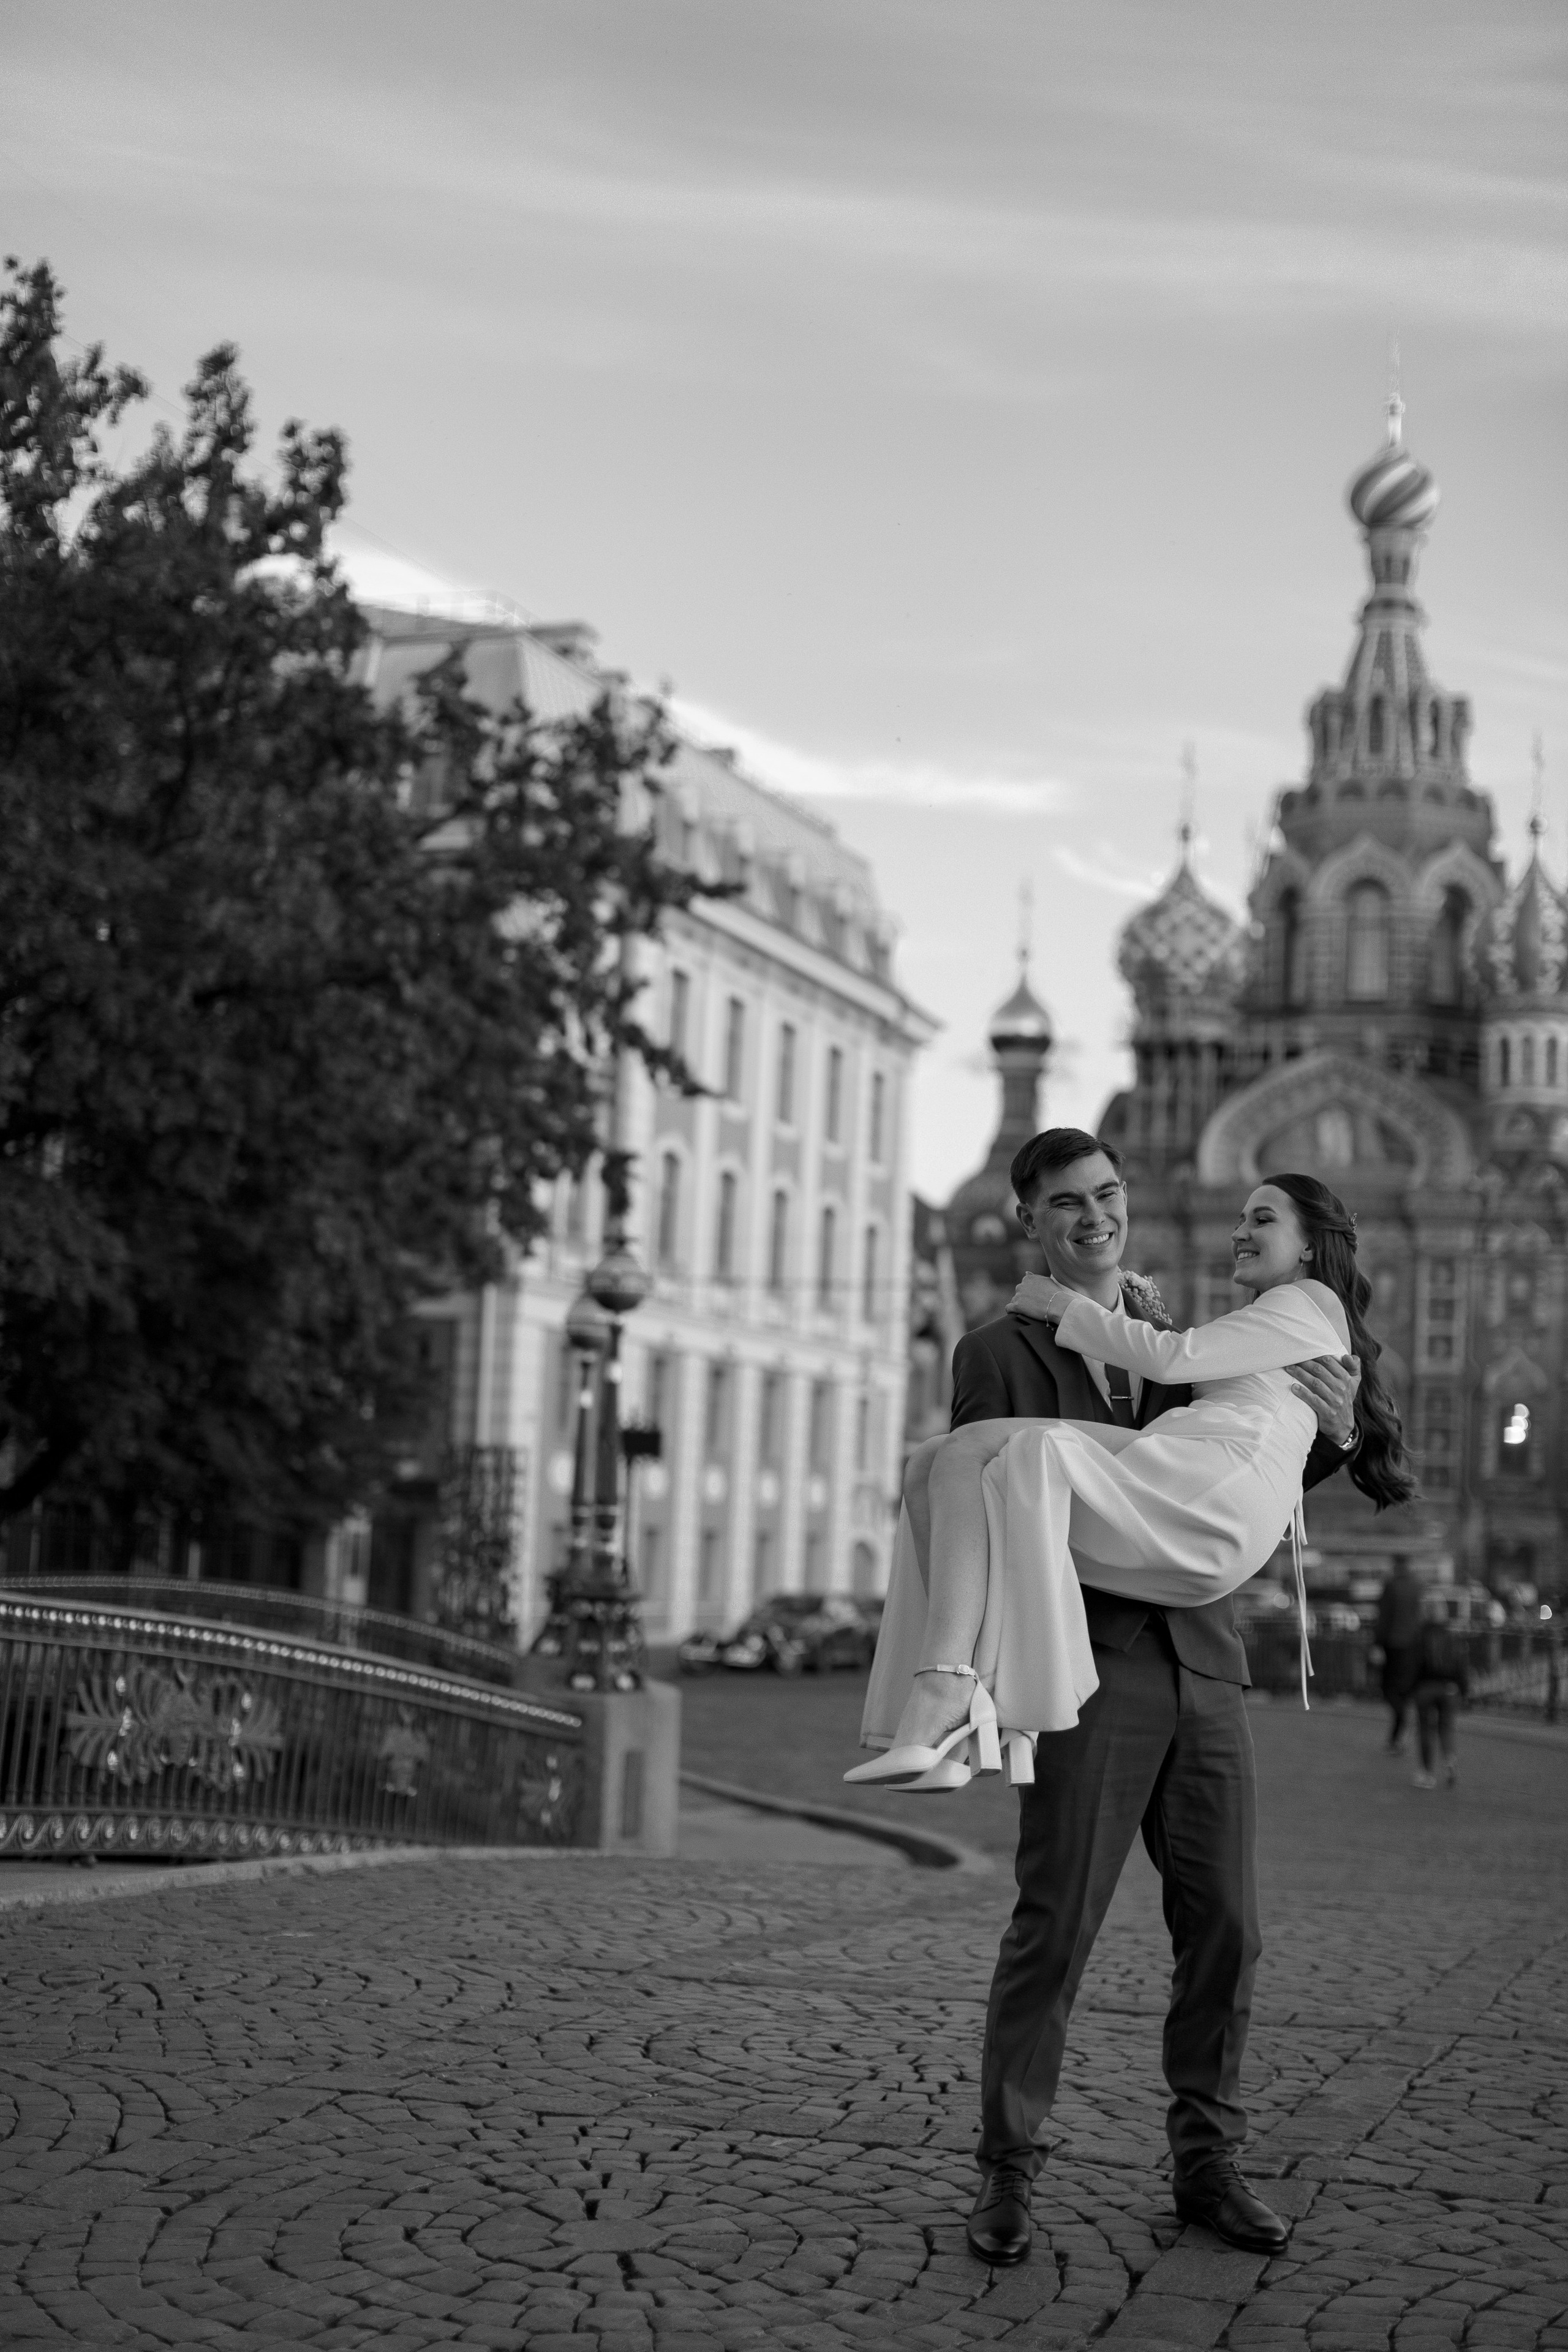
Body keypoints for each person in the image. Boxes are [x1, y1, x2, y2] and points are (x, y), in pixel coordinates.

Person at [851, 1136, 1406, 2268]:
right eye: (1068, 1204)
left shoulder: (1186, 1337)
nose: (1096, 1217)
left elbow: (1249, 1469)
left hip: (1203, 1660)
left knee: (1229, 1930)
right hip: (1087, 1669)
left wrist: (1341, 1427)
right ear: (1031, 1223)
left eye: (1108, 1195)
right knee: (1057, 1921)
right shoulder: (996, 1350)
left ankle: (1209, 2163)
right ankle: (1008, 2170)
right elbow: (986, 1518)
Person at [1411, 1588, 1468, 1789]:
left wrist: (1410, 1688)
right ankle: (1450, 1761)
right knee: (1446, 1728)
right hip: (1449, 1689)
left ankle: (1427, 1774)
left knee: (1425, 1730)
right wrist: (1463, 1689)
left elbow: (1413, 1666)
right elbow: (1461, 1665)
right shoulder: (1452, 1636)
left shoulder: (1419, 1636)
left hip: (1425, 1688)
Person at [1374, 1559, 1425, 1754]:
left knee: (1388, 1689)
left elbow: (1384, 1617)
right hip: (1412, 1645)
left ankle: (1403, 1723)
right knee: (1403, 1691)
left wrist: (1377, 1645)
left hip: (1393, 1644)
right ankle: (1397, 1736)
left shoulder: (1391, 1586)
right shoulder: (1417, 1586)